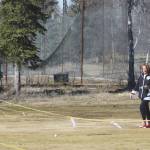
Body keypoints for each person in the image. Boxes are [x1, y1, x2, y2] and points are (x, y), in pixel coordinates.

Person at [131, 64, 150, 128]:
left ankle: (144, 122)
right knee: (146, 109)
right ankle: (149, 123)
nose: (144, 70)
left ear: (148, 69)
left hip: (148, 95)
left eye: (145, 68)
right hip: (142, 95)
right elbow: (137, 85)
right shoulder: (141, 76)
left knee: (142, 107)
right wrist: (133, 92)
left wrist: (148, 87)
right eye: (143, 68)